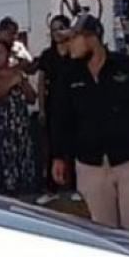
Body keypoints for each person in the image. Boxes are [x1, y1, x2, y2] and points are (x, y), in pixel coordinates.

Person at [51, 15, 129, 237]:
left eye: (73, 39)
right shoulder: (68, 75)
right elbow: (61, 117)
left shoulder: (127, 67)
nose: (68, 45)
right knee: (103, 228)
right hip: (90, 162)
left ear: (91, 39)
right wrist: (58, 156)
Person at [0, 40, 37, 196]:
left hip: (18, 127)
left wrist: (22, 82)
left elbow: (32, 98)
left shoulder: (16, 72)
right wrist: (10, 83)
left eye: (0, 52)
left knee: (21, 164)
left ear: (8, 54)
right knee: (1, 168)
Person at [33, 15, 78, 206]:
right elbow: (41, 82)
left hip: (75, 106)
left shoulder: (76, 52)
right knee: (53, 149)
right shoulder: (47, 55)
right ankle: (51, 189)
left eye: (60, 28)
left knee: (76, 148)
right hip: (54, 106)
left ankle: (77, 188)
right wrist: (42, 108)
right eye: (53, 29)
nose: (57, 32)